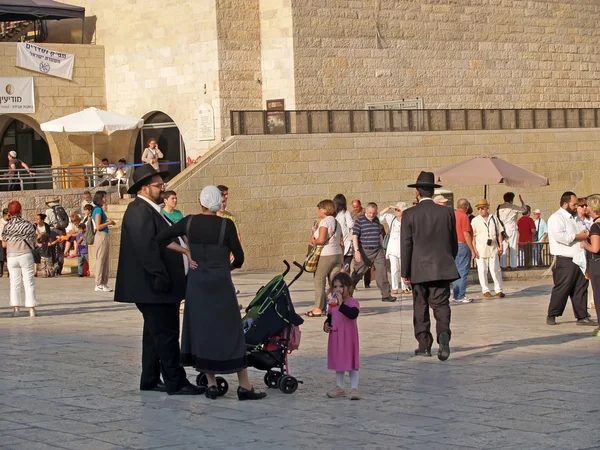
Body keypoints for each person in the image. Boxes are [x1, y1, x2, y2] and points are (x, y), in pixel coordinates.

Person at [156, 185, 266, 401]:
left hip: (197, 284)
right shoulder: (226, 225)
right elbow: (240, 258)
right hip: (221, 283)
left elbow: (162, 237)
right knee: (231, 330)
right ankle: (244, 385)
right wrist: (226, 268)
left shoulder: (188, 222)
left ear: (201, 202)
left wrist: (186, 252)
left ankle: (212, 383)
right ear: (219, 203)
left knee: (203, 329)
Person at [114, 165, 203, 396]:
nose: (162, 188)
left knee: (154, 335)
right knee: (166, 334)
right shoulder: (139, 210)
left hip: (156, 286)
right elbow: (146, 247)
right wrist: (160, 275)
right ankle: (176, 381)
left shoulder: (152, 210)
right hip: (153, 287)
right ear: (144, 188)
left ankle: (150, 379)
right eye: (158, 185)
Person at [401, 171, 459, 361]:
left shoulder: (409, 214)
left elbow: (406, 244)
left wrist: (405, 272)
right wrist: (448, 259)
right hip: (442, 267)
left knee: (420, 306)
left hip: (419, 268)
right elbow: (453, 241)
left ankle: (424, 344)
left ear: (417, 191)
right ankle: (443, 335)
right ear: (432, 191)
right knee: (441, 305)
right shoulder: (447, 212)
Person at [546, 191, 597, 327]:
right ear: (565, 203)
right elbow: (560, 237)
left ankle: (582, 316)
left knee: (580, 287)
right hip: (565, 259)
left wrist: (584, 234)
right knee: (563, 287)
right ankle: (552, 314)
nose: (576, 207)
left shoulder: (576, 218)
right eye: (574, 204)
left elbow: (583, 231)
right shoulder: (556, 218)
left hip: (579, 258)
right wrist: (577, 236)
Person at [323, 272, 360, 400]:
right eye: (335, 286)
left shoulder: (352, 303)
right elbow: (330, 317)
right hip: (336, 336)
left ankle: (354, 388)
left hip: (349, 338)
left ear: (349, 288)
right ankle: (339, 387)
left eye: (341, 286)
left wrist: (341, 304)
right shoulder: (332, 304)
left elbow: (352, 314)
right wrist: (326, 324)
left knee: (351, 361)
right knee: (339, 361)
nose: (338, 289)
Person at [351, 202, 395, 302]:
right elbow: (355, 236)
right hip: (364, 251)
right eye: (370, 213)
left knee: (382, 272)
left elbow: (379, 234)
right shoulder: (360, 220)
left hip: (378, 250)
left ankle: (386, 295)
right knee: (358, 273)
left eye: (374, 213)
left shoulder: (376, 220)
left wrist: (383, 248)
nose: (372, 215)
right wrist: (357, 251)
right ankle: (347, 293)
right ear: (366, 211)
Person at [306, 199, 343, 317]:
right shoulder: (337, 223)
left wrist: (314, 241)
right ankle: (336, 305)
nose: (318, 210)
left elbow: (321, 240)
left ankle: (318, 308)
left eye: (320, 208)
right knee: (334, 282)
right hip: (337, 254)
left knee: (319, 280)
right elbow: (342, 242)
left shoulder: (325, 222)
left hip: (326, 255)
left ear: (326, 209)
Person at [2, 201, 37, 317]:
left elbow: (4, 244)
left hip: (12, 256)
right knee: (29, 282)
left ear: (10, 212)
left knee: (14, 282)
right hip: (25, 254)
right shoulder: (27, 225)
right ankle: (31, 308)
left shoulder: (7, 226)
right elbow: (34, 240)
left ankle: (16, 309)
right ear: (20, 211)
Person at [471, 199, 505, 298]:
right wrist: (474, 249)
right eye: (479, 208)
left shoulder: (494, 218)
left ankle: (498, 289)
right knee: (482, 270)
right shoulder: (475, 220)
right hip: (481, 248)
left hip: (493, 247)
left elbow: (499, 233)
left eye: (483, 208)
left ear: (487, 208)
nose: (481, 210)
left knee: (495, 269)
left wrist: (501, 245)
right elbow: (473, 236)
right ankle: (485, 289)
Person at [580, 194, 600, 336]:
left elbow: (595, 248)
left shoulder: (595, 226)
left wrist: (584, 244)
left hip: (597, 263)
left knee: (598, 295)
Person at [379, 202, 409, 294]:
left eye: (398, 210)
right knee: (394, 268)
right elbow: (380, 216)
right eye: (396, 209)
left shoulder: (407, 220)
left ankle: (405, 287)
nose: (396, 211)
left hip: (403, 247)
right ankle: (395, 287)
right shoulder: (391, 218)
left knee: (404, 268)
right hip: (393, 247)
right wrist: (389, 207)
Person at [453, 198, 477, 303]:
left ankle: (455, 295)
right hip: (462, 244)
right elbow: (466, 234)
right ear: (467, 207)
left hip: (453, 245)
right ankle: (461, 295)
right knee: (463, 271)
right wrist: (472, 249)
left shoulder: (453, 215)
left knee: (456, 271)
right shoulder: (464, 216)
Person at [92, 190, 116, 292]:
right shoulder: (97, 210)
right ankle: (99, 283)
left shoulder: (100, 210)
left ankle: (104, 282)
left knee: (105, 260)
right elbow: (98, 226)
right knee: (101, 259)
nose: (105, 199)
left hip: (104, 235)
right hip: (101, 235)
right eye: (104, 197)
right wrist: (108, 223)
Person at [498, 192, 527, 269]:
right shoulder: (512, 207)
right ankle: (513, 265)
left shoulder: (499, 207)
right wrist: (522, 201)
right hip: (512, 228)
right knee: (513, 247)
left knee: (504, 248)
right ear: (512, 200)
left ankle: (503, 265)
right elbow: (524, 209)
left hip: (503, 229)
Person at [350, 198, 371, 288]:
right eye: (354, 207)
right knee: (357, 262)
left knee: (367, 261)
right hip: (356, 238)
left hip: (365, 238)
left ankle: (367, 282)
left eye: (357, 207)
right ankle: (354, 281)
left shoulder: (365, 212)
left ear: (360, 205)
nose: (356, 209)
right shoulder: (351, 214)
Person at [333, 194, 354, 271]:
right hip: (347, 242)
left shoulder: (334, 215)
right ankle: (346, 281)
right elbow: (350, 224)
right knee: (346, 264)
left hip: (337, 243)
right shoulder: (346, 213)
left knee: (338, 265)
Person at [34, 214, 54, 278]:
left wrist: (49, 242)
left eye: (38, 219)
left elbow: (49, 236)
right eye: (36, 219)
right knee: (37, 254)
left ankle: (48, 271)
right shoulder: (34, 226)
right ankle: (35, 271)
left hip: (45, 243)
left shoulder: (46, 226)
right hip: (37, 243)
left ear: (42, 220)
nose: (37, 220)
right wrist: (37, 241)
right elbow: (32, 237)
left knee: (47, 256)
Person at [0, 208, 8, 276]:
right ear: (4, 215)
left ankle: (9, 272)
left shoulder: (10, 222)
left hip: (9, 241)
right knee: (1, 257)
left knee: (9, 256)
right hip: (1, 240)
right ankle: (1, 271)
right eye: (8, 215)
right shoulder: (0, 222)